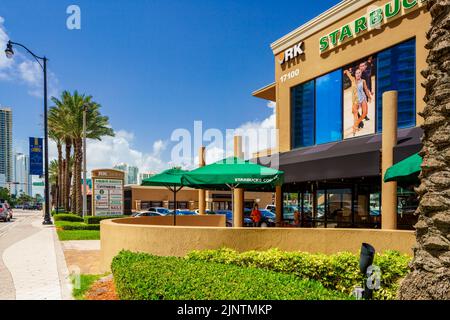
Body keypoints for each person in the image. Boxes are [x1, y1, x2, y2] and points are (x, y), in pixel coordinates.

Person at [344, 67, 372, 136]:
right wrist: (345, 71)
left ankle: (356, 124)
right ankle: (354, 130)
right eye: (357, 73)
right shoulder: (353, 80)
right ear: (355, 74)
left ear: (361, 73)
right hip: (355, 101)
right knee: (355, 114)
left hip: (363, 98)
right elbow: (348, 73)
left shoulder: (363, 81)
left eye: (359, 72)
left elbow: (365, 89)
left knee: (365, 113)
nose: (358, 74)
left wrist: (369, 97)